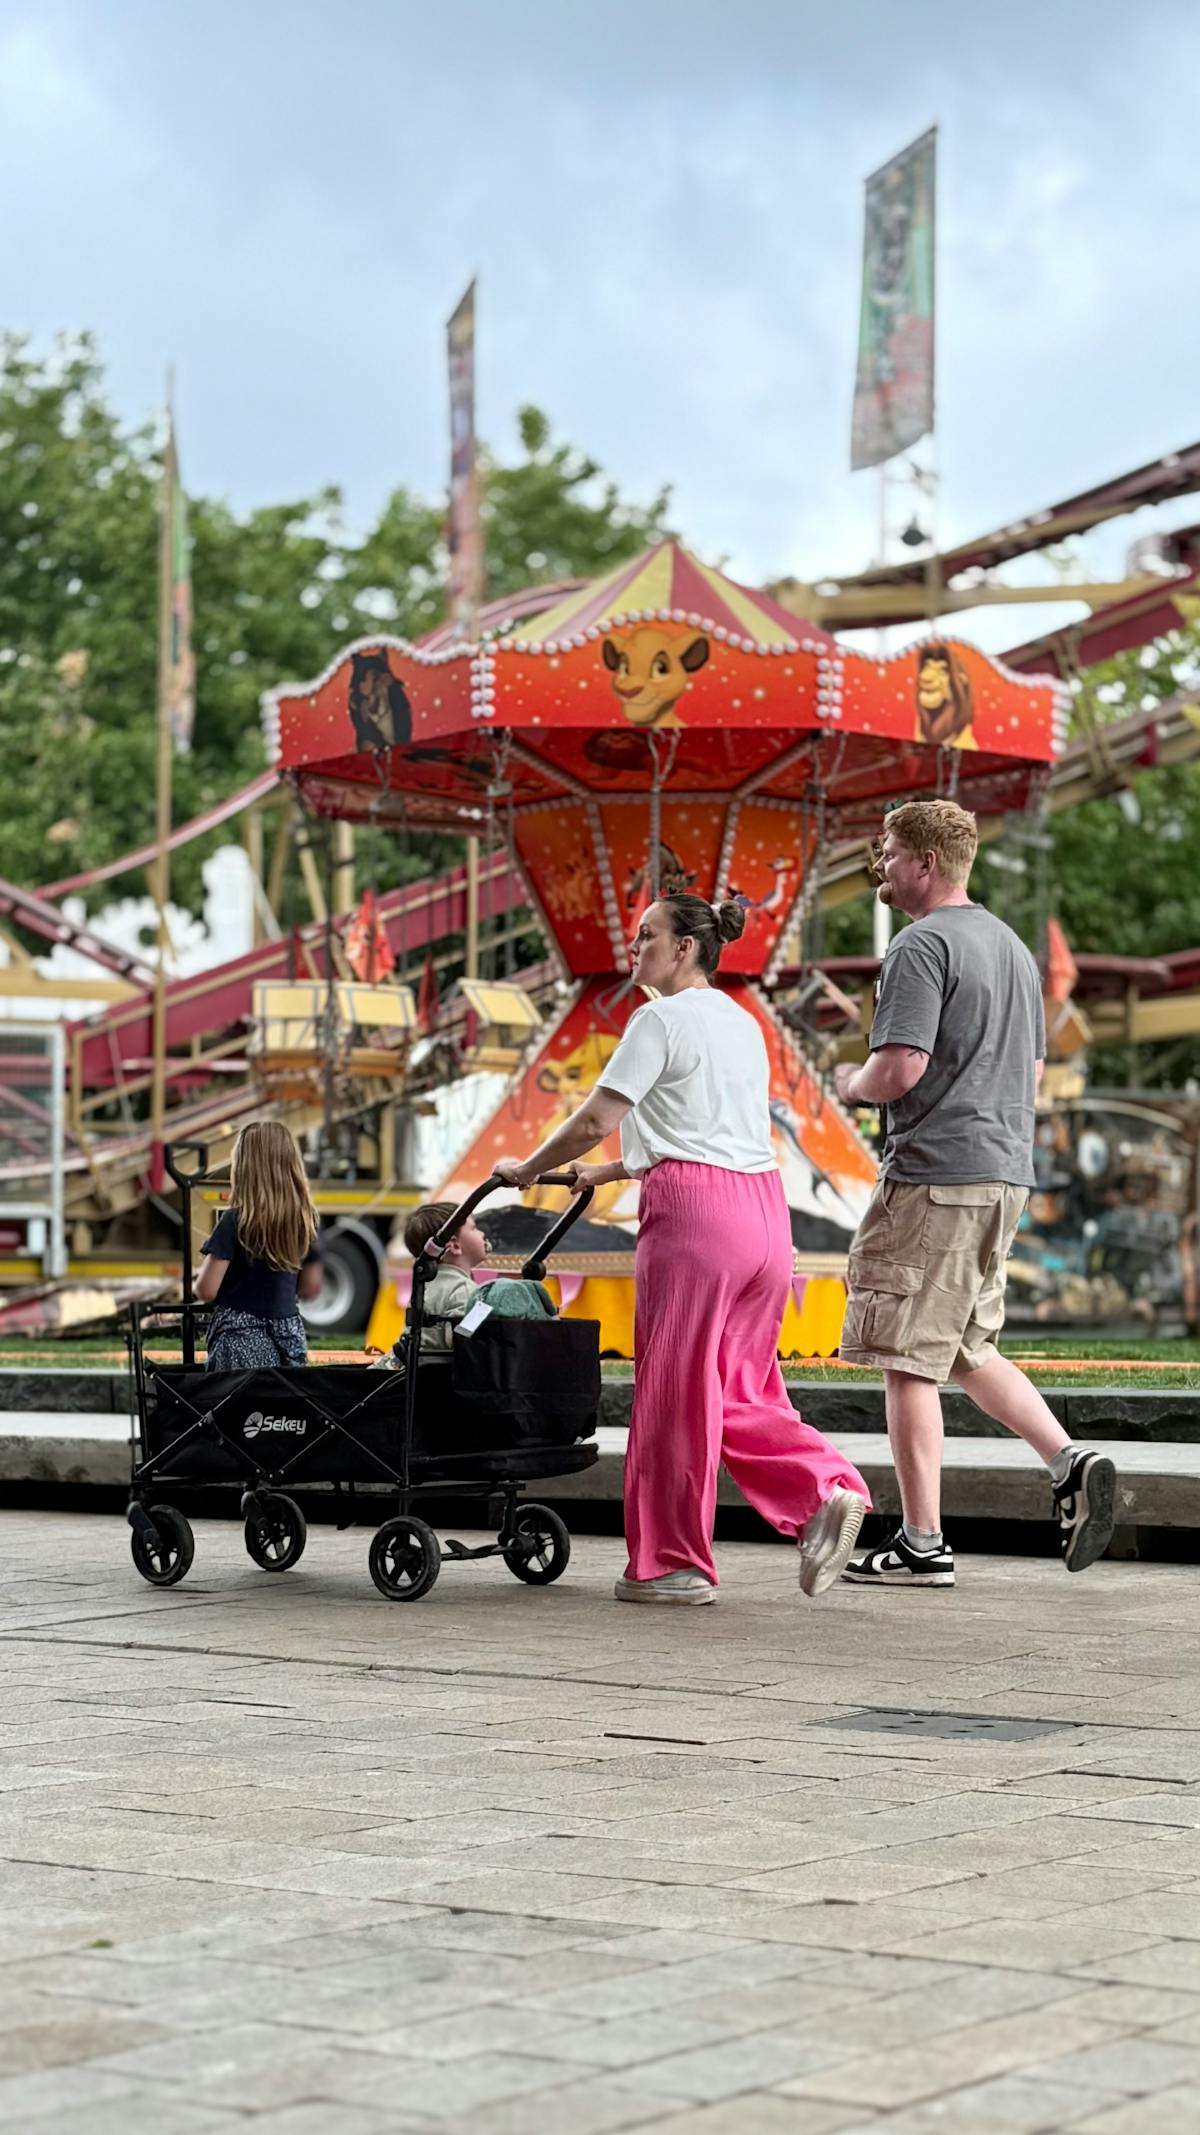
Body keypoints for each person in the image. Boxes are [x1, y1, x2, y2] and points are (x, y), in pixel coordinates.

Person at [494, 892, 871, 1605]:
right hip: (764, 1213)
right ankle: (825, 1487)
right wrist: (608, 1171)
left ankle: (672, 1564)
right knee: (739, 1385)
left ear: (687, 948)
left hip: (696, 1219)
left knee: (673, 1394)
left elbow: (597, 1116)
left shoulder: (655, 1019)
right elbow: (703, 1127)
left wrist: (529, 1167)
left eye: (647, 936)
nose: (634, 948)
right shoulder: (743, 1022)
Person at [833, 799, 1116, 1588]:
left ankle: (922, 1541)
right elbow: (1027, 1075)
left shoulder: (920, 947)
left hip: (934, 1175)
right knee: (964, 1346)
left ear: (924, 862)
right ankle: (1069, 1461)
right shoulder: (1013, 949)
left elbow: (898, 1069)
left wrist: (849, 1084)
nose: (880, 866)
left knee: (905, 1360)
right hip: (1004, 1174)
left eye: (888, 852)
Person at [195, 1120, 322, 1370]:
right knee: (280, 1409)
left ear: (243, 1167)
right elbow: (311, 1288)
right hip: (289, 1341)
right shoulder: (306, 1221)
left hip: (240, 1341)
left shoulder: (235, 1220)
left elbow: (206, 1290)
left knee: (240, 1409)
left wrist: (196, 1281)